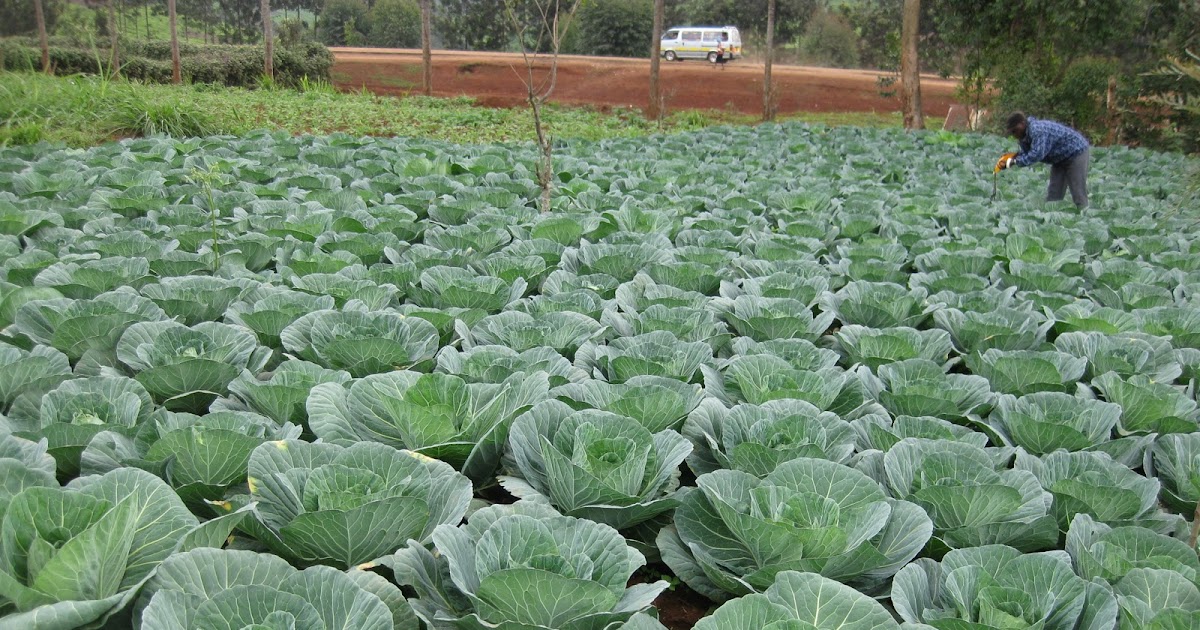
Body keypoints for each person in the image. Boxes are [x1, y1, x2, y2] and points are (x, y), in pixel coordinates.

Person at [996, 112, 1091, 208]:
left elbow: (1037, 154)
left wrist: (1014, 162)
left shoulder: (1037, 130)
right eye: (1012, 132)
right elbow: (1027, 152)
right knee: (1054, 194)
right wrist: (1013, 156)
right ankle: (1051, 220)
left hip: (1076, 152)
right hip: (1059, 158)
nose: (1014, 135)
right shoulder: (1023, 136)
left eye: (1015, 131)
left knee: (1078, 191)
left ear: (1023, 123)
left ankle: (1085, 215)